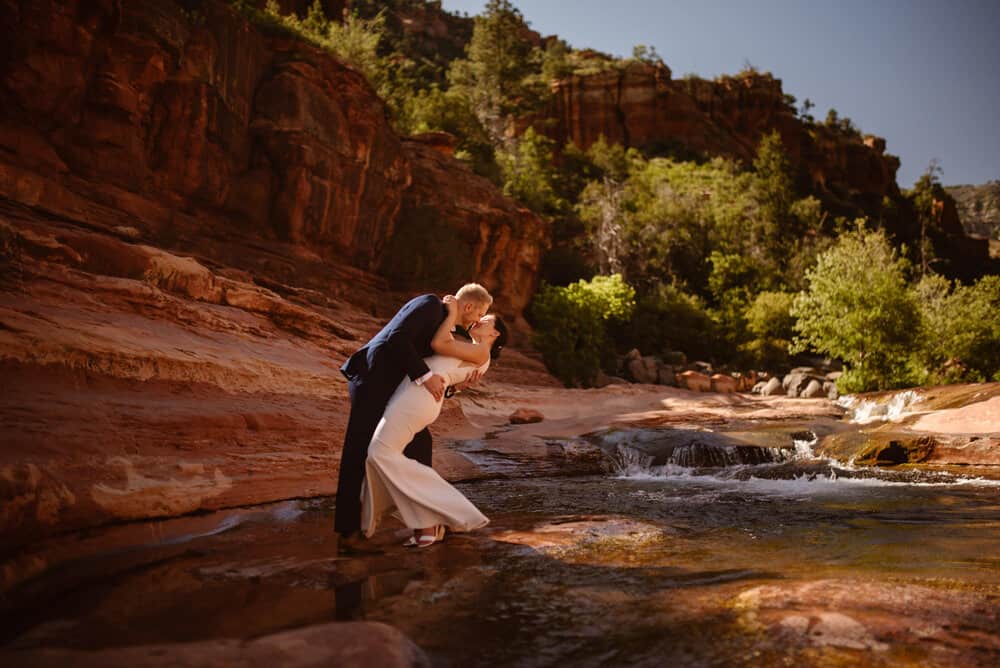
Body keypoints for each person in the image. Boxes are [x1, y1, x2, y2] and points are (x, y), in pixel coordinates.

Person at [335, 284, 492, 552]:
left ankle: (431, 520)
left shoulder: (444, 329)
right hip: (372, 380)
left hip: (396, 393)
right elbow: (397, 339)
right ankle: (348, 535)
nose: (477, 321)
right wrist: (426, 377)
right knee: (358, 451)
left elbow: (433, 372)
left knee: (421, 447)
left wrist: (455, 387)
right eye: (480, 314)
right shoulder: (429, 305)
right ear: (468, 307)